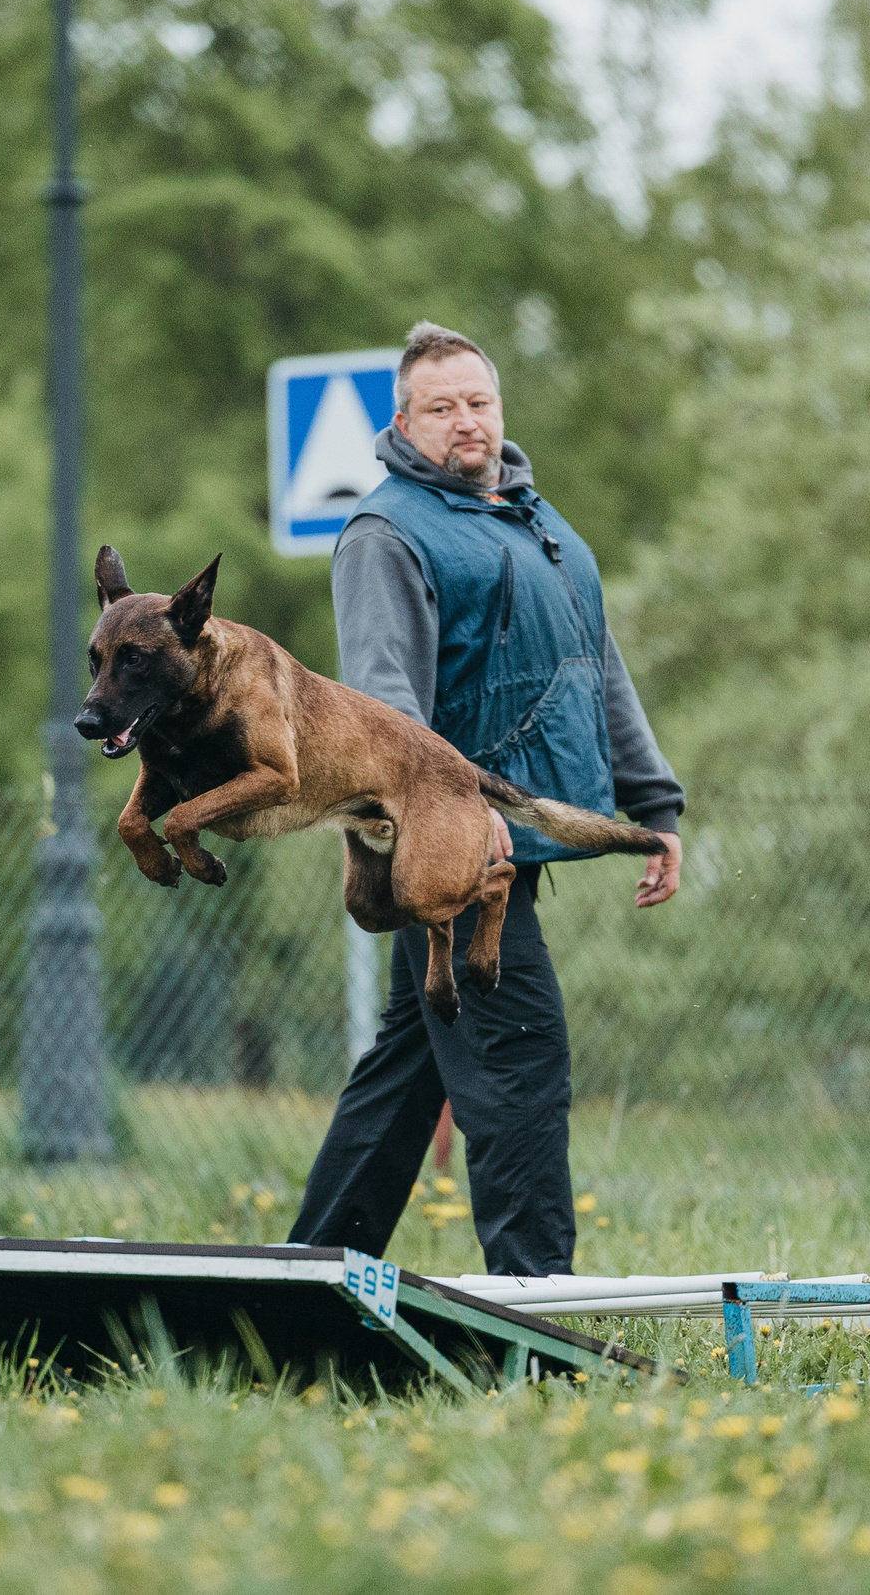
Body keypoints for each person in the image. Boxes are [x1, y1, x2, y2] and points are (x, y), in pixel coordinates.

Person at [286, 321, 684, 1276]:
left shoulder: (532, 520)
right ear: (404, 420)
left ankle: (299, 1285)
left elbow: (600, 668)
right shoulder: (388, 535)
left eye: (479, 400)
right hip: (454, 856)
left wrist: (652, 812)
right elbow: (385, 722)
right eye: (442, 406)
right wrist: (460, 835)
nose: (466, 420)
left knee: (406, 1076)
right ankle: (536, 1312)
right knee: (520, 1063)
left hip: (505, 846)